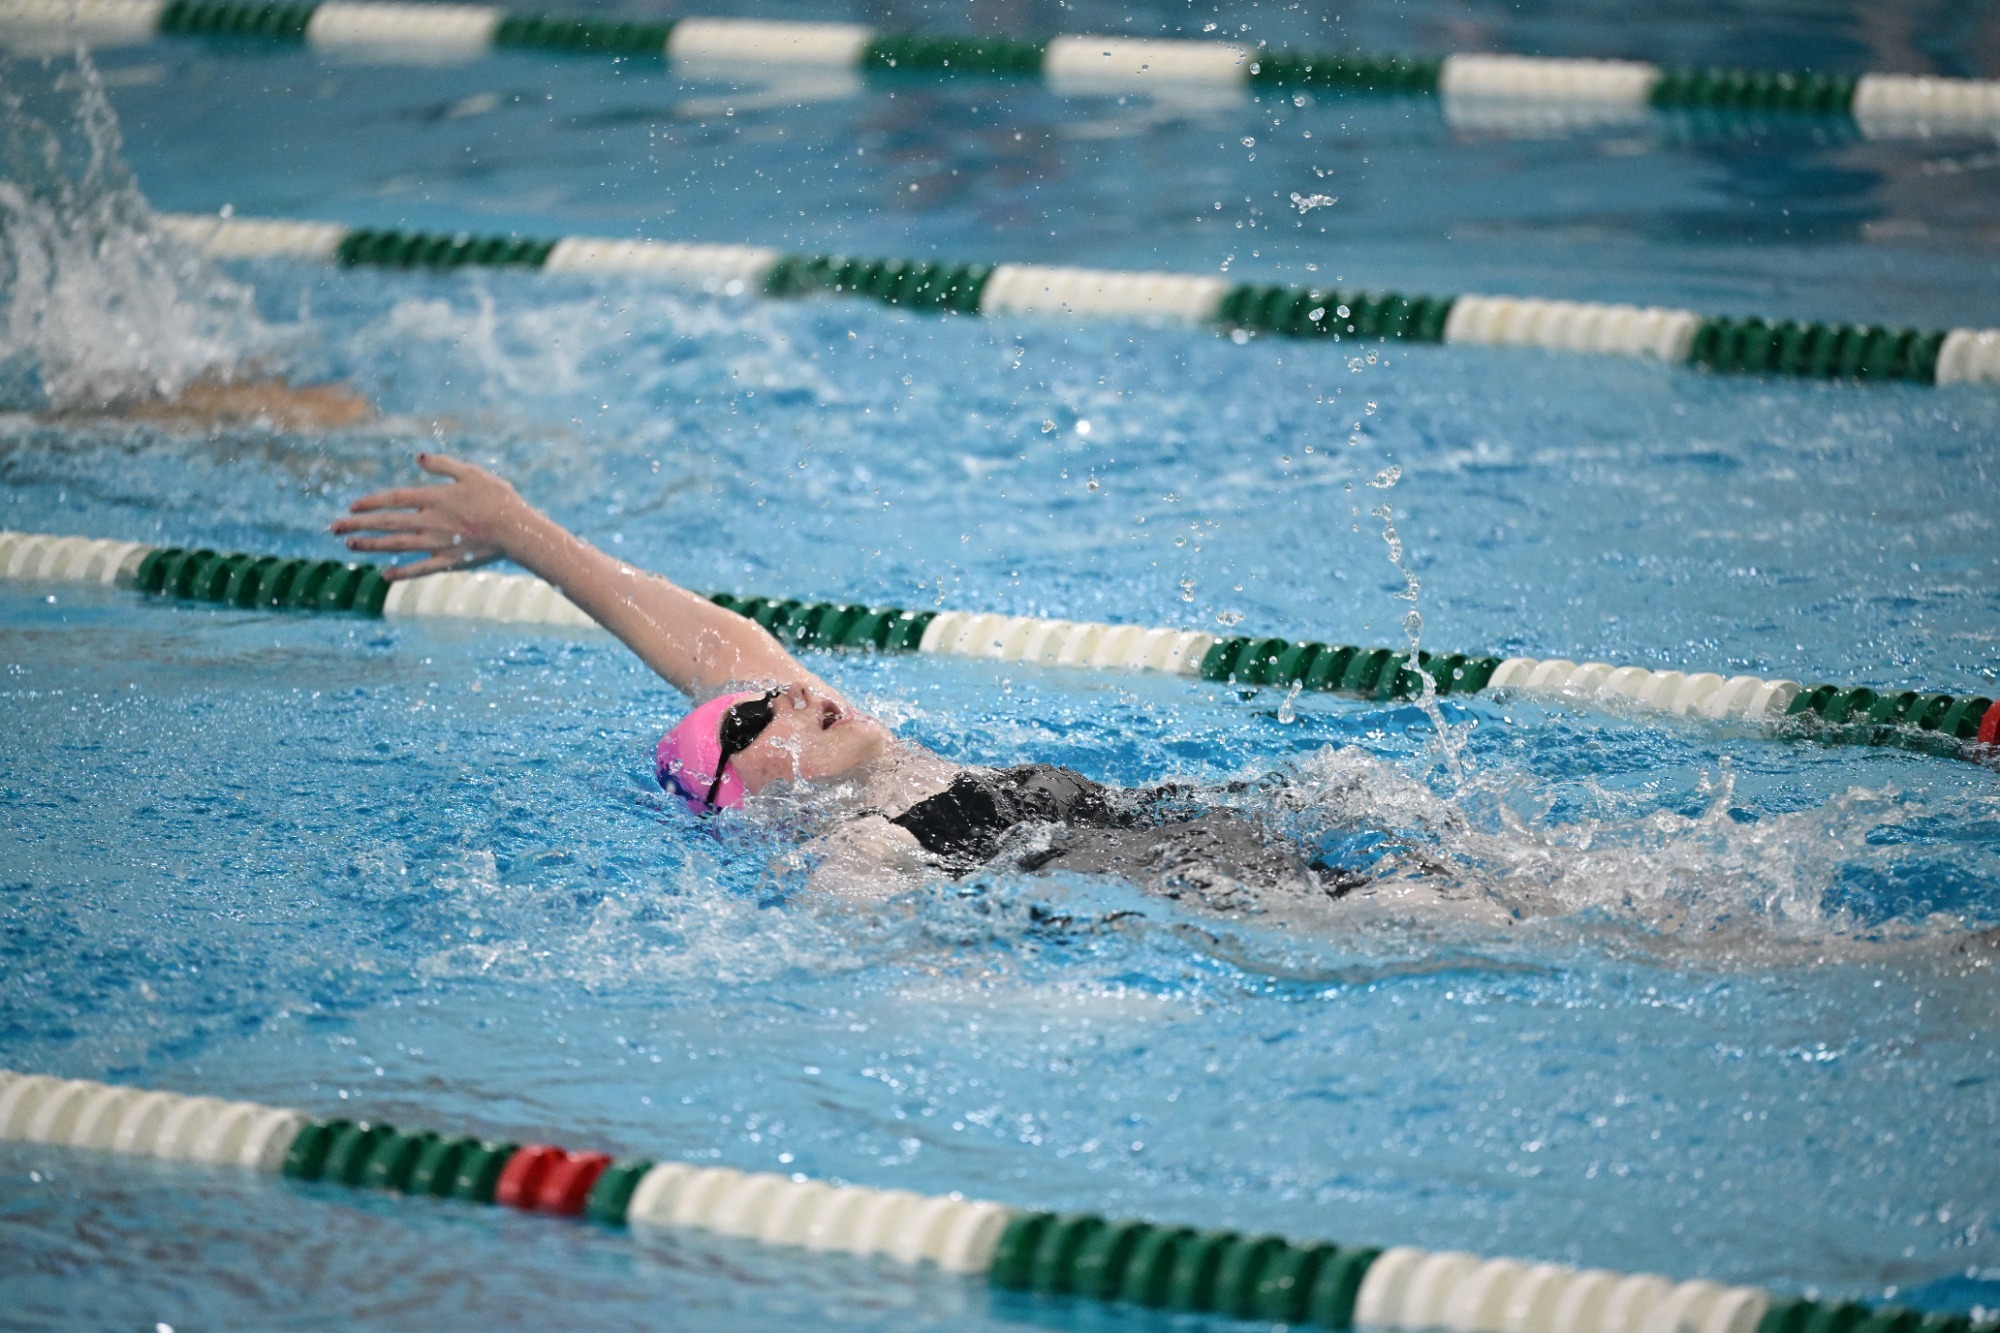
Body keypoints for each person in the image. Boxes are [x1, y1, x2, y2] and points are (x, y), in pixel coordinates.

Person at [333, 453, 1358, 905]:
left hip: (1214, 838)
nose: (801, 692)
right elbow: (931, 995)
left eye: (783, 688)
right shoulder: (859, 850)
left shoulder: (888, 767)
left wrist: (516, 528)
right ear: (748, 798)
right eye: (763, 714)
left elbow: (703, 646)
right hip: (1224, 900)